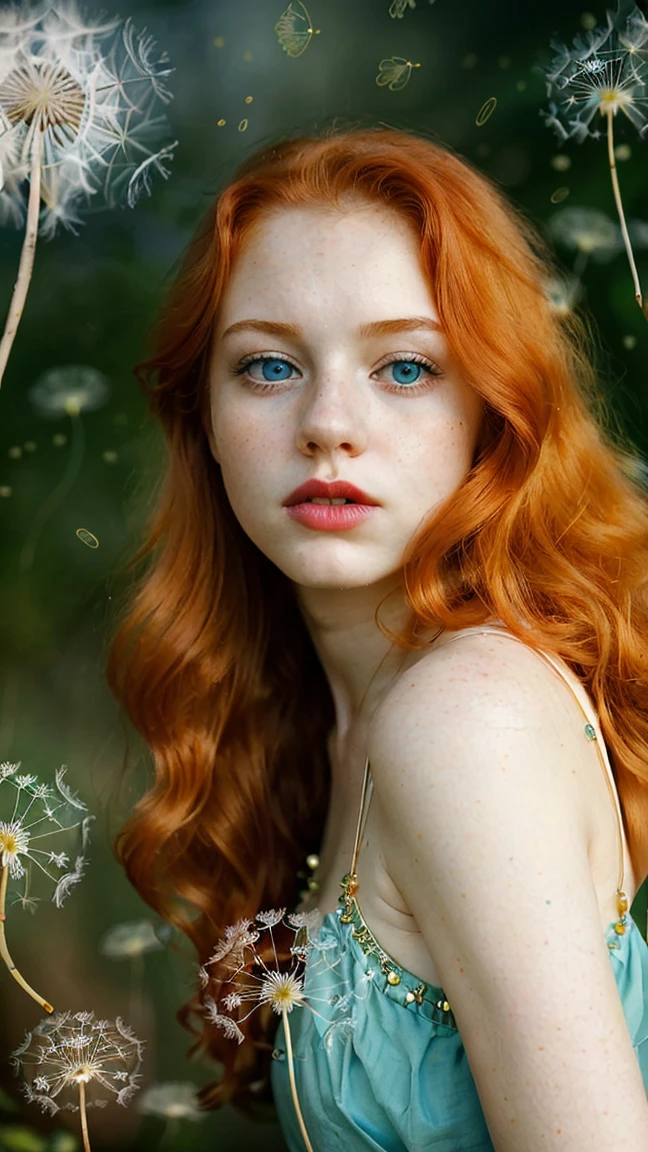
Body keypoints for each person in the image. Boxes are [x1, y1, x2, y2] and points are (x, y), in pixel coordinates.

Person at [106, 125, 648, 1151]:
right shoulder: (343, 714)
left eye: (404, 368)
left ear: (496, 412)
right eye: (267, 366)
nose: (328, 423)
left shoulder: (463, 719)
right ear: (204, 420)